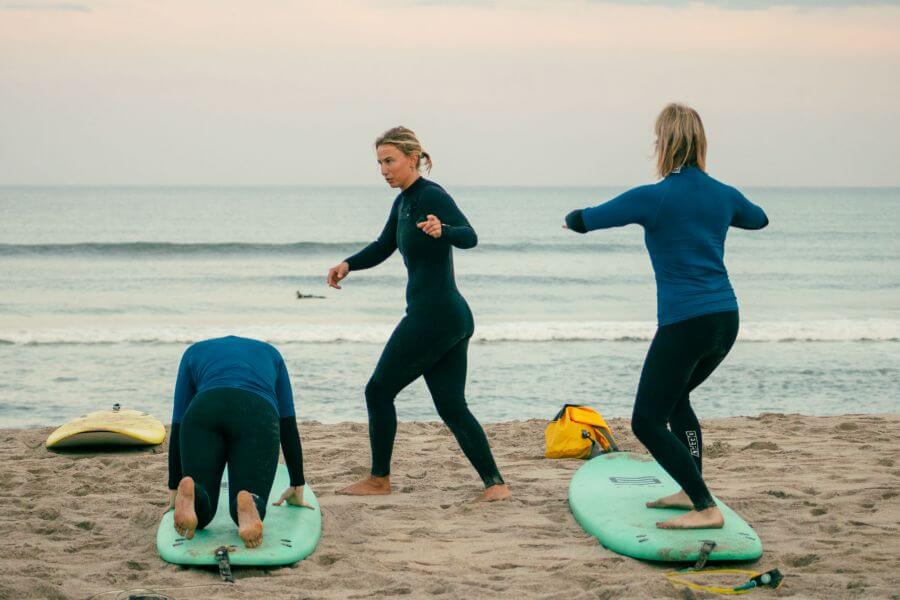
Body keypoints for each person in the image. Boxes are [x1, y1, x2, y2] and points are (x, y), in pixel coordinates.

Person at [564, 103, 769, 529]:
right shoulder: (723, 194)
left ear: (665, 144)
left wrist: (571, 220)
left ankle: (704, 504)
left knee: (646, 420)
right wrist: (717, 214)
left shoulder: (653, 198)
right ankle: (689, 489)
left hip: (685, 324)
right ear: (700, 143)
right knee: (677, 401)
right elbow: (760, 219)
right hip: (724, 321)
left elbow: (586, 220)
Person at [326, 126, 509, 502]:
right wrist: (349, 264)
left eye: (389, 161)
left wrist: (444, 230)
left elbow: (470, 236)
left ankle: (379, 479)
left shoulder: (432, 195)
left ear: (414, 158)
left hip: (434, 317)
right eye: (379, 163)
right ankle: (496, 485)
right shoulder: (403, 202)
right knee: (452, 406)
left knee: (377, 391)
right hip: (448, 318)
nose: (383, 170)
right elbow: (383, 245)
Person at [166, 335, 311, 548]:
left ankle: (191, 492)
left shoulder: (193, 352)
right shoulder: (272, 354)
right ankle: (249, 500)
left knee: (202, 513)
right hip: (256, 413)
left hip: (203, 411)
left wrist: (173, 488)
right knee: (249, 499)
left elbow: (177, 423)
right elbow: (288, 424)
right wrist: (297, 484)